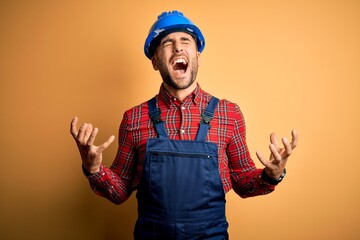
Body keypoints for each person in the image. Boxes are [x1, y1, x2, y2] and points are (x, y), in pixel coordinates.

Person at [70, 10, 298, 240]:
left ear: (197, 56)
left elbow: (243, 183)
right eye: (167, 42)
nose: (178, 48)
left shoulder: (229, 114)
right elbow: (119, 193)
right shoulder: (134, 119)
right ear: (155, 61)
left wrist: (271, 176)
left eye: (185, 41)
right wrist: (94, 169)